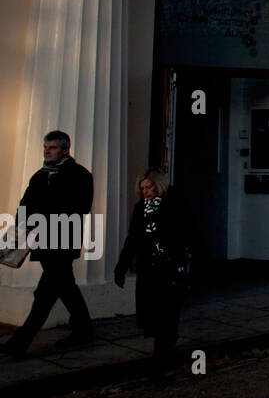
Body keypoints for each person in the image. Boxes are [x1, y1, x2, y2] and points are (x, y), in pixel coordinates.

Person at [1, 130, 95, 357]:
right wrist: (19, 230)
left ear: (65, 149)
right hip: (42, 241)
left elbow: (81, 207)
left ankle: (20, 342)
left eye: (52, 147)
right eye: (45, 147)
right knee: (65, 287)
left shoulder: (80, 174)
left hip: (62, 242)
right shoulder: (39, 175)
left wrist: (45, 217)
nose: (47, 151)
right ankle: (84, 329)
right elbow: (25, 205)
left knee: (45, 294)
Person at [114, 169, 192, 377]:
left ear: (159, 186)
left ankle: (161, 356)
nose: (147, 192)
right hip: (149, 267)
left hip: (171, 266)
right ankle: (164, 347)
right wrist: (121, 266)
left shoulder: (174, 204)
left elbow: (186, 233)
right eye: (143, 188)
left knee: (168, 310)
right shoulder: (141, 208)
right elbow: (133, 239)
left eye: (150, 187)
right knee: (154, 311)